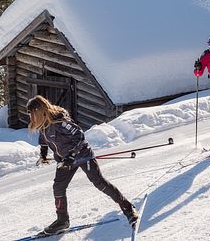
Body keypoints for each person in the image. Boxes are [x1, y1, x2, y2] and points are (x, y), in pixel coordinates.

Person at [27, 95, 139, 236]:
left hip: (81, 154)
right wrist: (43, 153)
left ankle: (128, 208)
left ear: (40, 111)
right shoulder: (43, 123)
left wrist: (72, 156)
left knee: (99, 182)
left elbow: (80, 136)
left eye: (32, 114)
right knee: (58, 187)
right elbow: (43, 138)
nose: (31, 118)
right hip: (64, 160)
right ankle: (62, 221)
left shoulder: (59, 121)